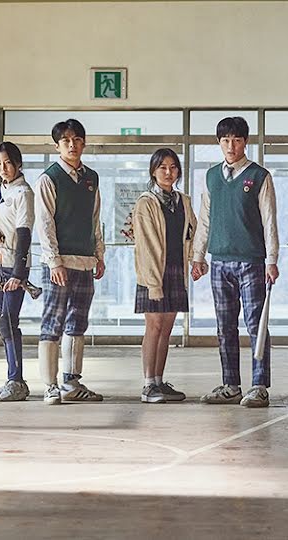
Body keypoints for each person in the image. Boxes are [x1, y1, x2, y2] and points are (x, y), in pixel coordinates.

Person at [191, 117, 279, 408]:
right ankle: (231, 384)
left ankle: (259, 386)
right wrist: (198, 256)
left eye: (237, 140)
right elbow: (205, 219)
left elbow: (269, 220)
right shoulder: (211, 176)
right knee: (225, 326)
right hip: (219, 262)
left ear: (245, 142)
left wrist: (272, 259)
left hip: (251, 262)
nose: (231, 146)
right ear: (219, 143)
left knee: (256, 324)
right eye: (226, 140)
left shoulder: (259, 176)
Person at [35, 119, 106, 405]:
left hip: (85, 261)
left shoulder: (92, 178)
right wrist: (54, 262)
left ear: (84, 143)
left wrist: (99, 255)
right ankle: (50, 385)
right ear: (57, 146)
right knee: (53, 322)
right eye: (66, 141)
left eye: (77, 140)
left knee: (78, 321)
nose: (72, 145)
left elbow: (95, 219)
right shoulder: (49, 179)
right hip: (59, 263)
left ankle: (72, 382)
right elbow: (44, 223)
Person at [133, 149, 197, 403]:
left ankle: (159, 381)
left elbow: (191, 233)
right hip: (153, 272)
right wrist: (153, 283)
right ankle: (148, 384)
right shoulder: (146, 202)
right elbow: (146, 246)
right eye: (162, 167)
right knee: (154, 326)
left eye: (173, 167)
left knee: (167, 328)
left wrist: (194, 261)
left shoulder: (184, 201)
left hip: (175, 269)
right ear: (153, 171)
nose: (168, 172)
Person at [0, 142, 34, 402]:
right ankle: (11, 378)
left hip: (14, 267)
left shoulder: (24, 192)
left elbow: (24, 234)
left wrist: (18, 274)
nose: (3, 168)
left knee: (9, 322)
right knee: (3, 323)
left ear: (18, 163)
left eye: (8, 163)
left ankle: (17, 381)